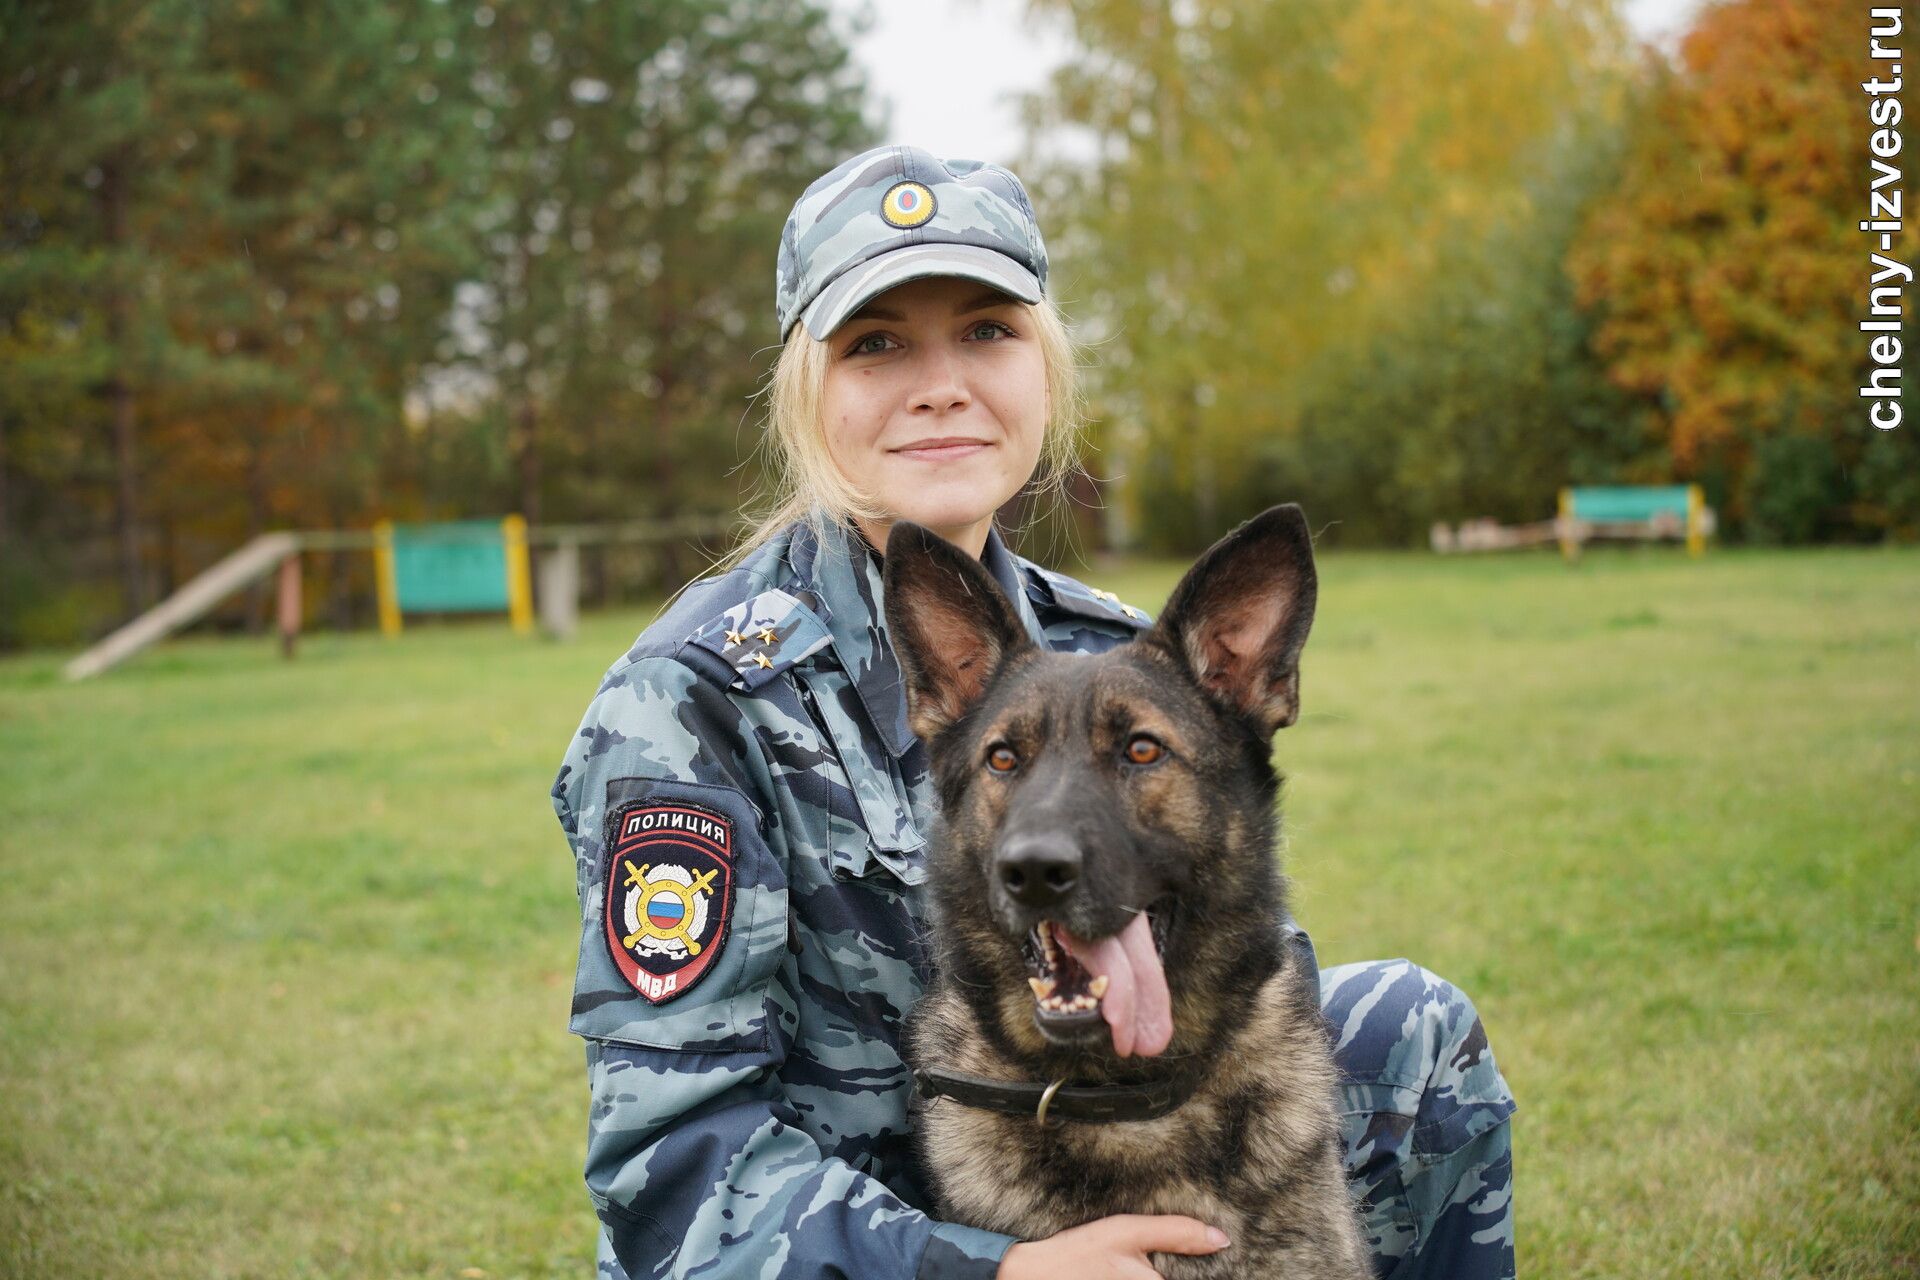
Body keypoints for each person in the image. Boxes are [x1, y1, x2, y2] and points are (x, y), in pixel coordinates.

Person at [550, 145, 1516, 1280]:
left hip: (1081, 1158)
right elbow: (673, 1171)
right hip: (862, 1241)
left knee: (1410, 1032)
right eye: (876, 344)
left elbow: (1238, 953)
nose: (941, 382)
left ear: (1044, 370)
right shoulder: (691, 701)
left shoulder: (1107, 645)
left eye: (987, 330)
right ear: (808, 392)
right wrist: (990, 1269)